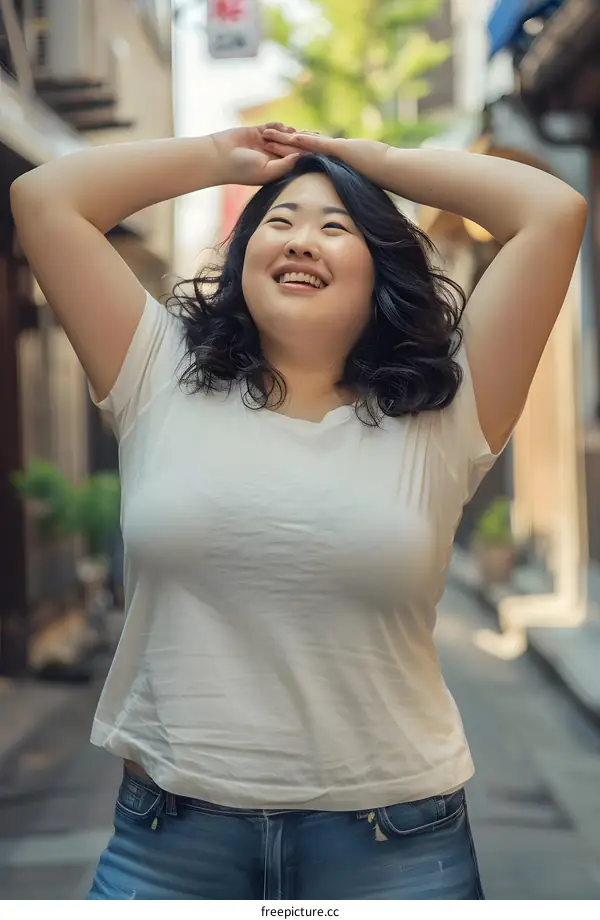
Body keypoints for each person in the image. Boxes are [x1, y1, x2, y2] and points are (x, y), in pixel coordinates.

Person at [10, 123, 586, 901]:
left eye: (335, 227)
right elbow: (45, 197)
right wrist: (220, 157)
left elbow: (552, 209)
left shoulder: (444, 409)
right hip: (170, 844)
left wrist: (372, 160)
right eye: (278, 221)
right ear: (244, 255)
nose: (301, 239)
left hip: (394, 848)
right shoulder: (157, 373)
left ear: (380, 267)